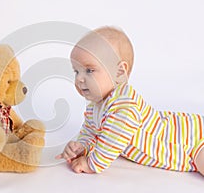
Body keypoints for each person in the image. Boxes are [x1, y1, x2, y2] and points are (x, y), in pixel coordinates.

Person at [55, 26, 204, 175]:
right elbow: (91, 132)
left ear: (119, 72)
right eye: (76, 71)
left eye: (89, 70)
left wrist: (91, 164)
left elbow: (113, 138)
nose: (79, 79)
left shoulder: (123, 105)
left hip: (191, 140)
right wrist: (81, 147)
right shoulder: (95, 106)